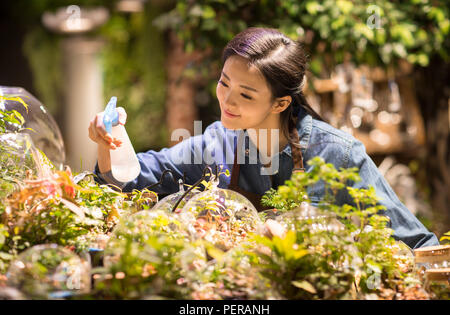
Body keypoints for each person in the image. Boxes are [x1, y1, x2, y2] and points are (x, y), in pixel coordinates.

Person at [88, 27, 438, 249]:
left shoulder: (338, 155)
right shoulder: (218, 143)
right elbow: (133, 178)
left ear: (281, 102)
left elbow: (419, 243)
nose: (227, 100)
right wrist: (110, 142)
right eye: (224, 83)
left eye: (246, 94)